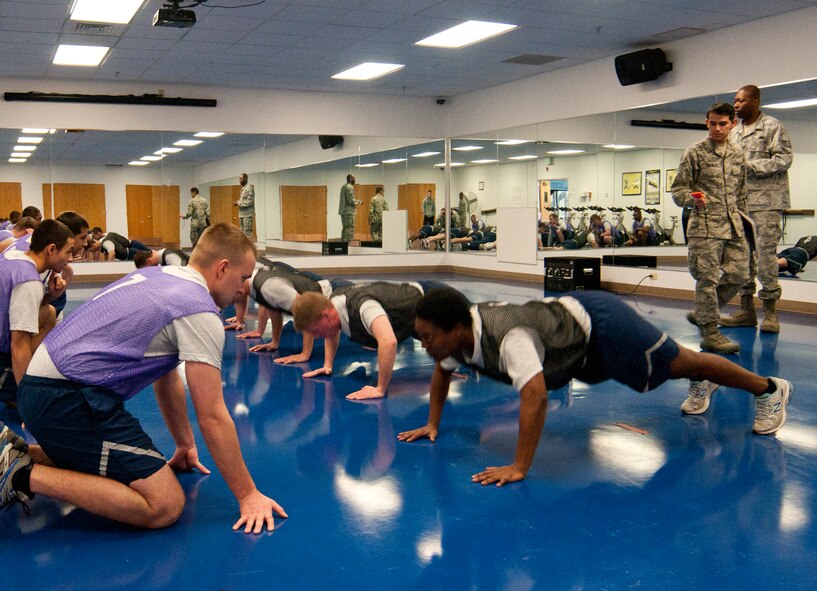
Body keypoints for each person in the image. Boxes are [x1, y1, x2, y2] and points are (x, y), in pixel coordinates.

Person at [0, 223, 287, 532]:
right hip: (66, 399)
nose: (243, 289)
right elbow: (213, 416)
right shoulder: (199, 310)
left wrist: (185, 445)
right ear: (222, 268)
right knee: (164, 505)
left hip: (41, 390)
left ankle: (14, 452)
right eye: (243, 278)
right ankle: (18, 473)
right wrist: (247, 495)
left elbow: (165, 377)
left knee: (112, 463)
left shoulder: (159, 275)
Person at [397, 287, 792, 486]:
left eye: (428, 337)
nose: (424, 346)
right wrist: (432, 424)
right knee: (668, 370)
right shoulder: (455, 341)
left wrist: (519, 466)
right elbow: (442, 373)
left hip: (602, 325)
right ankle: (703, 378)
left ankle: (768, 388)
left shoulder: (509, 338)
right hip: (574, 348)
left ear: (456, 329)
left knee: (679, 363)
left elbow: (534, 398)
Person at [671, 102, 749, 355]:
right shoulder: (695, 152)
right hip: (704, 227)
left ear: (732, 125)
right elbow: (678, 190)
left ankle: (706, 312)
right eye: (712, 123)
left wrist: (747, 224)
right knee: (707, 279)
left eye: (722, 124)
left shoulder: (738, 154)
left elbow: (742, 193)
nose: (717, 128)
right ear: (707, 122)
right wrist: (692, 198)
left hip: (733, 225)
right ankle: (710, 333)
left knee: (740, 274)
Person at [291, 281, 447, 400]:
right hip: (412, 320)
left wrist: (380, 389)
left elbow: (388, 342)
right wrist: (327, 365)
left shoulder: (363, 307)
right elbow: (331, 333)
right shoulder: (334, 306)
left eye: (316, 331)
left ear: (326, 316)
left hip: (436, 300)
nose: (317, 336)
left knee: (467, 343)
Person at [721, 85, 794, 334]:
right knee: (741, 258)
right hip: (740, 204)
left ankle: (770, 313)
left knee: (765, 258)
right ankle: (746, 310)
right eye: (735, 100)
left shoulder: (772, 126)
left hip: (767, 203)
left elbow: (784, 159)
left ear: (755, 101)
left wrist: (750, 166)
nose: (737, 104)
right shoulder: (734, 133)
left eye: (741, 100)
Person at [0, 220, 74, 408]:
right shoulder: (29, 280)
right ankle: (11, 386)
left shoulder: (15, 255)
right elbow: (19, 344)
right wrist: (27, 401)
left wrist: (51, 295)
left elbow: (21, 307)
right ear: (51, 249)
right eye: (68, 252)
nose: (71, 258)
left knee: (48, 313)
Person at [228, 260, 353, 362]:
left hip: (336, 293)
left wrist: (305, 354)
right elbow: (274, 307)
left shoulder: (269, 287)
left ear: (239, 291)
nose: (233, 303)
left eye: (231, 300)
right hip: (320, 290)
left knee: (364, 324)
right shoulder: (254, 284)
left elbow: (307, 312)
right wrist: (275, 341)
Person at [338, 174, 359, 242]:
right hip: (349, 212)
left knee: (345, 229)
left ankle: (343, 245)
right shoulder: (349, 187)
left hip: (344, 211)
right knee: (349, 229)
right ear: (350, 179)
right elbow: (350, 199)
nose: (355, 180)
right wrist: (358, 202)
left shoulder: (343, 187)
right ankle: (348, 246)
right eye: (354, 178)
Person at [235, 173, 255, 241]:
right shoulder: (243, 189)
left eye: (241, 178)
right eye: (239, 179)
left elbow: (250, 202)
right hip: (242, 214)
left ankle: (250, 249)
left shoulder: (249, 188)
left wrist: (238, 203)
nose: (239, 180)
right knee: (242, 233)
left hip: (247, 215)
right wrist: (238, 202)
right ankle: (245, 249)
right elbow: (244, 200)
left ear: (245, 179)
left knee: (247, 233)